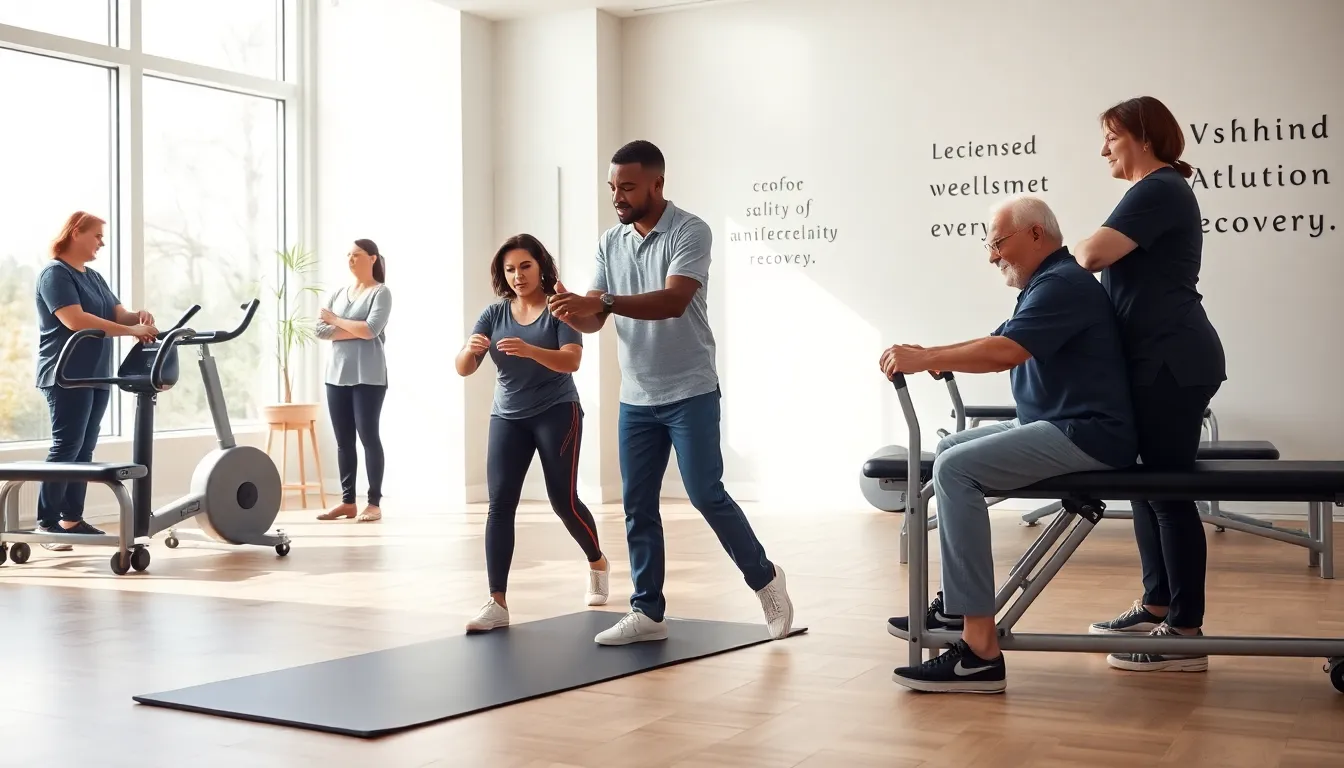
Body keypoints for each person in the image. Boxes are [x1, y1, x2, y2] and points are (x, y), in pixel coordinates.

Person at [880, 195, 1138, 694]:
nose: (992, 256)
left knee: (955, 470)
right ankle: (958, 609)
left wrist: (926, 357)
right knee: (951, 450)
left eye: (997, 243)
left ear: (1036, 234)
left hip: (1089, 434)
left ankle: (979, 651)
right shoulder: (1050, 283)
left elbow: (1005, 353)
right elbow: (997, 340)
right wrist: (933, 354)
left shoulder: (1062, 285)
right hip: (1061, 424)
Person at [548, 139, 793, 647]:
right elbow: (595, 318)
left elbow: (674, 300)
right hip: (636, 397)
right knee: (638, 505)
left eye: (628, 187)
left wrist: (603, 302)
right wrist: (574, 309)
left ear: (657, 184)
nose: (617, 196)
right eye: (612, 187)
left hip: (690, 390)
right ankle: (647, 610)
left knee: (705, 494)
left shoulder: (690, 230)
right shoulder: (609, 242)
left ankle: (765, 579)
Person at [1075, 96, 1226, 673]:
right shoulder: (1152, 191)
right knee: (1145, 487)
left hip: (1172, 361)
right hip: (1156, 360)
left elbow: (1091, 254)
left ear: (1141, 135)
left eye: (1110, 136)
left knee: (1167, 490)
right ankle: (1158, 603)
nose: (1103, 149)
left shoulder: (1158, 188)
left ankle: (1185, 632)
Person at [455, 234, 611, 632]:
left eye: (525, 266)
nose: (518, 275)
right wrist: (470, 350)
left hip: (557, 411)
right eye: (509, 269)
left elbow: (571, 361)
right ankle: (496, 602)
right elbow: (464, 368)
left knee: (564, 501)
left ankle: (597, 561)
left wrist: (530, 350)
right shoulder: (494, 314)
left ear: (541, 266)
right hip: (507, 416)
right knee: (499, 505)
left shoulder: (560, 309)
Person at [34, 211, 158, 551]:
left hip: (96, 374)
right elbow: (75, 320)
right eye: (97, 236)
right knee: (67, 446)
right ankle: (47, 524)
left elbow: (118, 314)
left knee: (85, 448)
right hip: (65, 374)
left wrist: (138, 317)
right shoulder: (55, 274)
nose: (102, 243)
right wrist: (131, 331)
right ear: (76, 232)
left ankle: (71, 519)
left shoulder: (94, 277)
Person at [315, 239, 392, 523]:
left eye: (356, 255)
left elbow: (371, 330)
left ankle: (373, 503)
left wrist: (336, 320)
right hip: (335, 377)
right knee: (343, 442)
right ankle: (348, 502)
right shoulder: (338, 293)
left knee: (369, 438)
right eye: (348, 254)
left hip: (368, 377)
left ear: (372, 258)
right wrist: (355, 329)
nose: (350, 259)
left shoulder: (381, 293)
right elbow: (319, 330)